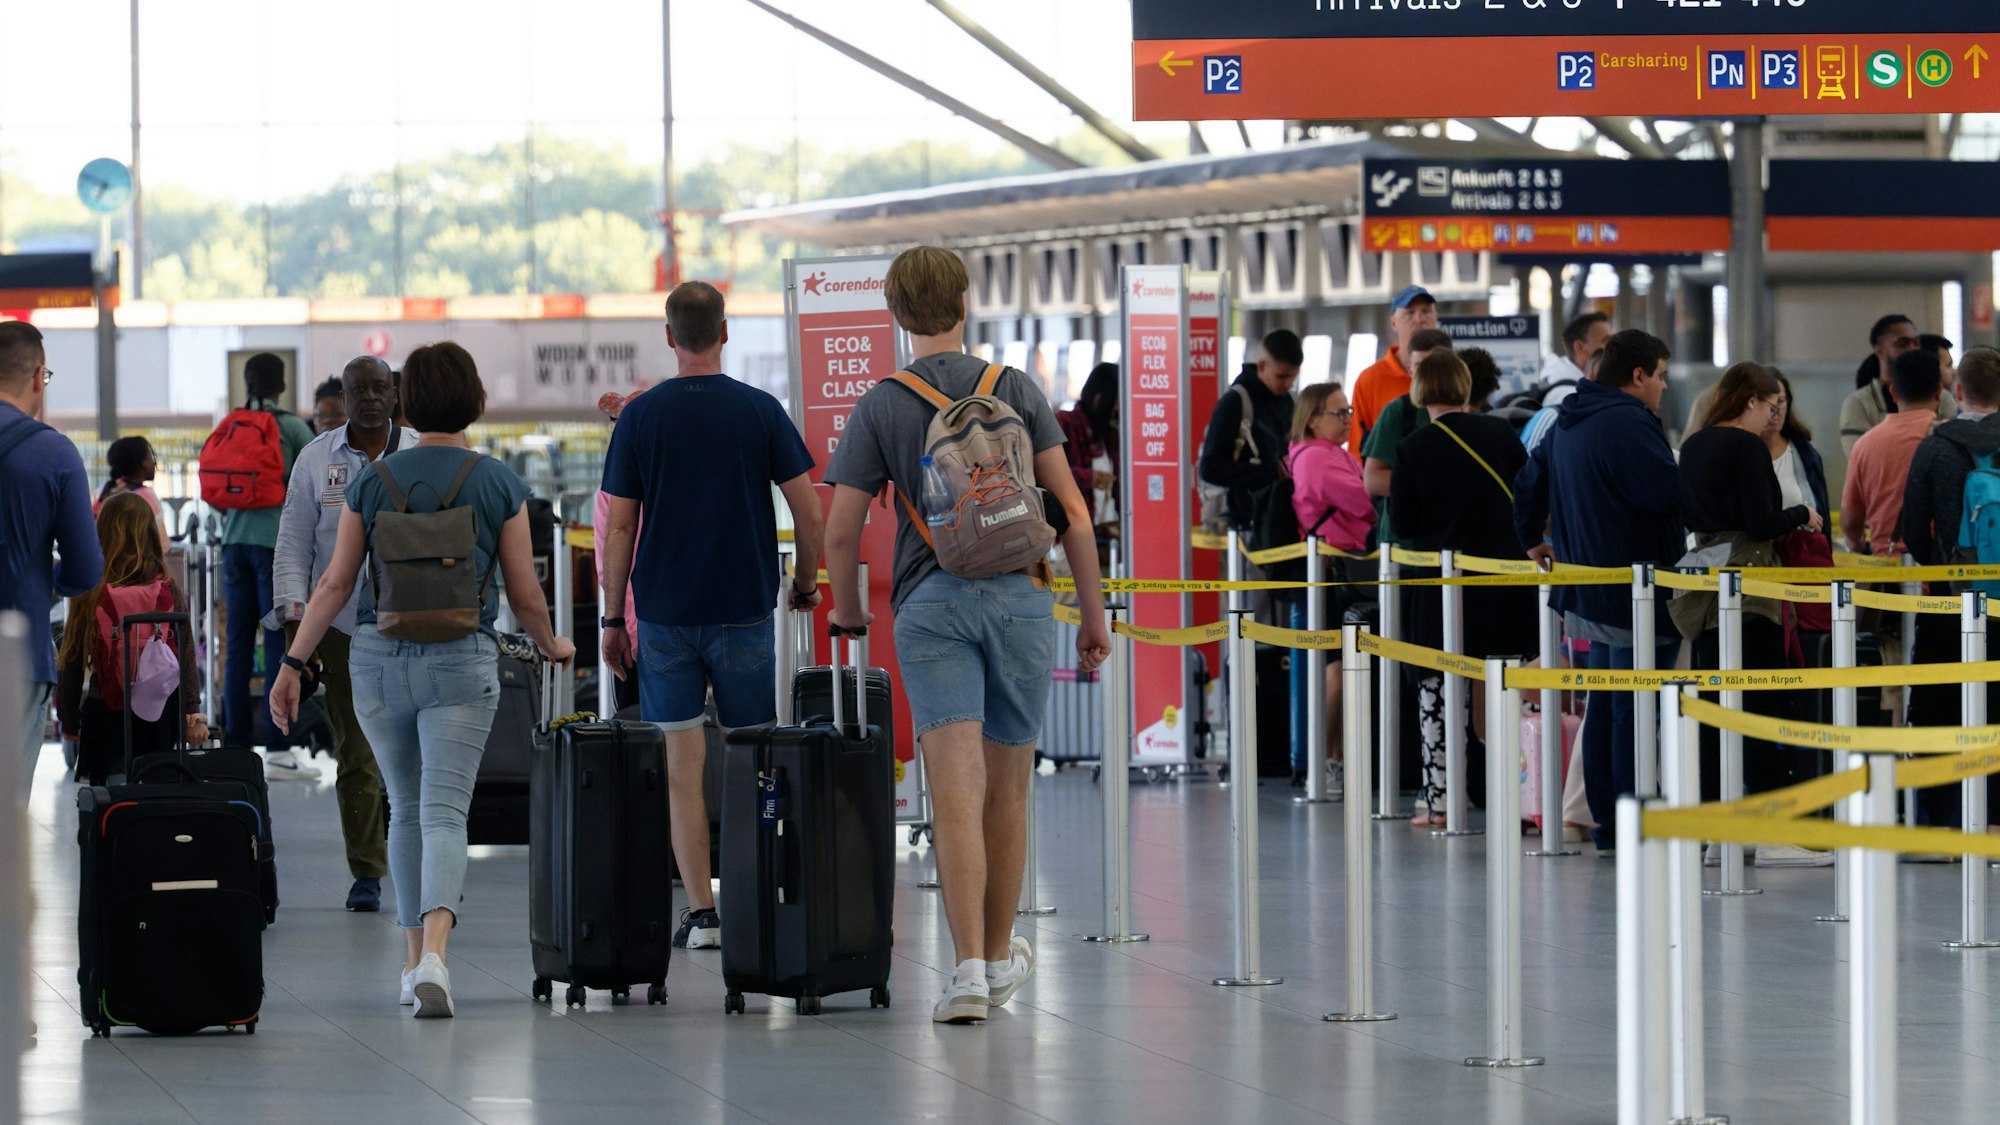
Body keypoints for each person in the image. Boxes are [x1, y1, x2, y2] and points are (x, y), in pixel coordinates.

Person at [822, 245, 1109, 1025]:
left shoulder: (882, 401)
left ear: (897, 313)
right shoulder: (1014, 388)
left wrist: (848, 611)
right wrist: (1093, 616)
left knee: (952, 792)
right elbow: (1073, 512)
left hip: (931, 606)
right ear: (963, 301)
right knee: (1008, 793)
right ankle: (998, 948)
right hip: (1020, 601)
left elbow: (841, 530)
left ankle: (968, 974)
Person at [268, 341, 573, 1019]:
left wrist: (293, 664)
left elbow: (335, 581)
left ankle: (410, 965)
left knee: (403, 807)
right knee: (442, 811)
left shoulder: (375, 479)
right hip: (462, 660)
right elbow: (525, 593)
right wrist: (552, 643)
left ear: (406, 402)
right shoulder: (497, 481)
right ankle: (435, 950)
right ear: (474, 400)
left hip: (378, 657)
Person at [598, 280, 827, 952]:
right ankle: (753, 900)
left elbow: (618, 530)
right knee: (754, 755)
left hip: (665, 613)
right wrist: (807, 582)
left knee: (681, 762)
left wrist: (615, 618)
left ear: (670, 337)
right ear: (723, 333)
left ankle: (701, 913)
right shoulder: (759, 410)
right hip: (744, 607)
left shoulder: (641, 417)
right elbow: (809, 510)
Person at [1512, 329, 1683, 854]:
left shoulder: (1568, 416)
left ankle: (1610, 820)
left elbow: (1528, 480)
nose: (1662, 388)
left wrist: (1531, 539)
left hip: (1584, 587)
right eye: (1659, 376)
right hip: (1633, 586)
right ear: (1637, 376)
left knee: (1607, 701)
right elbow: (1664, 494)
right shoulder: (1629, 423)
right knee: (1633, 707)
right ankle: (1630, 818)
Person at [271, 356, 418, 912]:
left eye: (381, 388)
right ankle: (368, 871)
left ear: (395, 394)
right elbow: (292, 547)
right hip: (337, 629)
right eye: (360, 390)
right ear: (345, 396)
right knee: (356, 751)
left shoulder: (420, 451)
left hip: (414, 624)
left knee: (414, 750)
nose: (371, 398)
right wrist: (295, 630)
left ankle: (421, 856)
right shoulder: (315, 459)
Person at [1673, 362, 1828, 867]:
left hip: (1706, 583)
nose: (1774, 414)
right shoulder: (1746, 447)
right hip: (1751, 584)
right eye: (1768, 405)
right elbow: (1761, 522)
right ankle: (1772, 833)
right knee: (1763, 709)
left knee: (1718, 711)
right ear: (1749, 402)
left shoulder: (1694, 444)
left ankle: (1722, 831)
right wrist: (1802, 515)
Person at [1392, 350, 1536, 826]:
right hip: (1504, 581)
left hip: (1442, 587)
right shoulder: (1499, 432)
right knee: (1505, 686)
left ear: (1419, 392)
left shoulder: (1413, 447)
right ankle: (1518, 793)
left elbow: (1405, 522)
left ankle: (1440, 802)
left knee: (1437, 689)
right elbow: (1529, 492)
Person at [0, 321, 104, 794]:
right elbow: (85, 570)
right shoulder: (53, 453)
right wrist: (42, 576)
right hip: (18, 652)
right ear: (39, 375)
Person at [1900, 345, 2000, 828]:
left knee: (1939, 703)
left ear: (1957, 391)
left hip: (1949, 597)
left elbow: (1914, 528)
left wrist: (1940, 564)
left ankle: (1941, 815)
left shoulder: (1935, 447)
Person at [56, 493, 210, 783]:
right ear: (150, 533)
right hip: (160, 712)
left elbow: (72, 657)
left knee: (106, 796)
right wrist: (193, 711)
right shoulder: (167, 587)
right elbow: (185, 651)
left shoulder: (91, 588)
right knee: (156, 786)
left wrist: (69, 718)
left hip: (105, 710)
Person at [220, 352, 317, 780]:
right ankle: (278, 748)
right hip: (275, 548)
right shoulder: (294, 428)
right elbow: (308, 490)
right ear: (281, 385)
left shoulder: (230, 424)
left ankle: (236, 747)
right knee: (279, 644)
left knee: (237, 645)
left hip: (233, 544)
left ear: (246, 382)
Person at [1285, 381, 1376, 790]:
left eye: (1348, 413)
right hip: (1332, 575)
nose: (1346, 421)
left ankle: (1333, 756)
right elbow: (1367, 503)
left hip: (1339, 571)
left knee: (1338, 665)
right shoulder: (1317, 461)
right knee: (1335, 667)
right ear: (1312, 419)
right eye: (1338, 413)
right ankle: (1326, 757)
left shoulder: (1329, 455)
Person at [1197, 331, 1301, 530]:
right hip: (1243, 523)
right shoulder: (1234, 402)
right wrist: (1271, 472)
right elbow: (1209, 468)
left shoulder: (1287, 401)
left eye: (1293, 377)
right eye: (1282, 376)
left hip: (1279, 515)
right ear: (1262, 366)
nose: (1288, 384)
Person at [1359, 328, 1454, 501]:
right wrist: (1435, 485)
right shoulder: (1399, 411)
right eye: (1420, 367)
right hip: (1406, 525)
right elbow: (1372, 479)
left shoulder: (1473, 409)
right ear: (1410, 370)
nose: (1427, 375)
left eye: (1434, 366)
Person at [1839, 314, 1955, 455]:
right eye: (1902, 344)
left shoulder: (1942, 397)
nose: (1912, 349)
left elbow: (1949, 454)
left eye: (1916, 343)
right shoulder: (1858, 403)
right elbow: (1859, 458)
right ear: (1880, 350)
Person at [1349, 285, 1439, 453]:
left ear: (1436, 318)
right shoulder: (1369, 380)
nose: (1419, 319)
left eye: (1426, 311)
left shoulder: (1454, 373)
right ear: (1393, 323)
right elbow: (1357, 445)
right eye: (1409, 313)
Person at [1056, 362, 1118, 561]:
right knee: (1072, 592)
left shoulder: (1111, 434)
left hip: (1108, 539)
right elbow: (1047, 476)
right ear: (1098, 398)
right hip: (1072, 538)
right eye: (1114, 401)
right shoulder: (1064, 424)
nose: (1116, 408)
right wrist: (1090, 478)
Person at [1537, 311, 1612, 409]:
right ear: (1579, 347)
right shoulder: (1566, 396)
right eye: (1606, 341)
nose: (1613, 347)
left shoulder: (1576, 390)